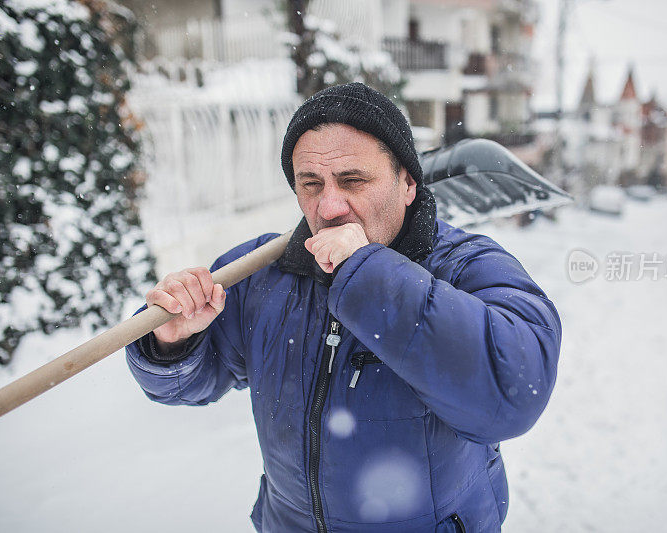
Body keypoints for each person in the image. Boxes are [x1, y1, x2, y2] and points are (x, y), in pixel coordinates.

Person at [126, 82, 562, 532]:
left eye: (353, 180)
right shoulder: (261, 273)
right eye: (310, 184)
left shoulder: (467, 266)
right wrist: (173, 343)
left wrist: (370, 276)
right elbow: (183, 386)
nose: (329, 206)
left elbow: (515, 392)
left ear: (408, 182)